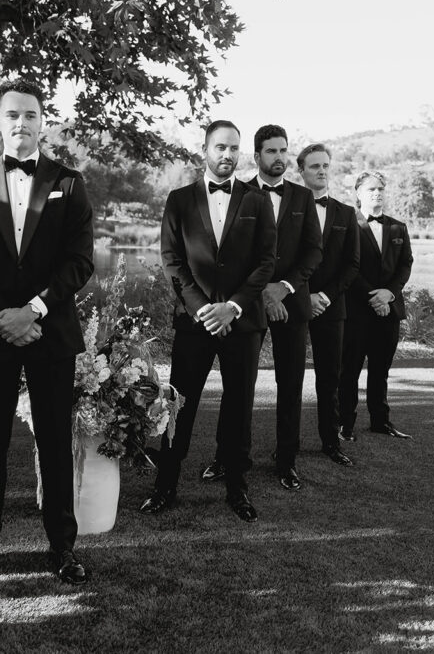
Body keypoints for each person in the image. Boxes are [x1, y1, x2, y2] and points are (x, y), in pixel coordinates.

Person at [0, 79, 94, 587]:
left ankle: (62, 547)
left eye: (30, 115)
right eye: (12, 115)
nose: (21, 124)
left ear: (42, 120)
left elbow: (79, 263)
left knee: (54, 441)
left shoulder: (69, 183)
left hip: (50, 332)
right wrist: (4, 316)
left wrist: (32, 310)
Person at [141, 120, 275, 522]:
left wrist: (231, 306)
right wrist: (204, 308)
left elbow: (266, 261)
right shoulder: (179, 199)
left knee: (239, 408)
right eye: (220, 147)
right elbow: (172, 260)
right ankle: (165, 487)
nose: (227, 154)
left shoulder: (257, 201)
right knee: (179, 407)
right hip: (193, 323)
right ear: (204, 149)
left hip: (242, 323)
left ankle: (238, 490)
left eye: (234, 148)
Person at [199, 125, 321, 491]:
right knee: (240, 386)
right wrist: (260, 295)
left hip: (291, 302)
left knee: (291, 384)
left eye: (284, 151)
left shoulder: (302, 197)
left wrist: (283, 288)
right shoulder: (239, 192)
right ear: (256, 156)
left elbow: (313, 251)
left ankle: (287, 461)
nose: (279, 158)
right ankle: (229, 457)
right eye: (271, 151)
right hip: (246, 305)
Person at [339, 170, 413, 440]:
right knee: (349, 371)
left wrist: (389, 294)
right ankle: (344, 424)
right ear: (358, 193)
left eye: (380, 188)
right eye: (371, 189)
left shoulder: (398, 227)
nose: (377, 193)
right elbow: (347, 266)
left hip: (389, 311)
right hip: (357, 310)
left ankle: (380, 422)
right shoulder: (349, 224)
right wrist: (374, 296)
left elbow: (405, 264)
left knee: (381, 371)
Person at [298, 144, 359, 465]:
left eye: (325, 166)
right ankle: (287, 443)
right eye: (314, 166)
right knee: (291, 378)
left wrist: (325, 296)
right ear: (302, 172)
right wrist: (303, 294)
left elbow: (352, 264)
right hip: (294, 302)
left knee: (330, 377)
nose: (321, 171)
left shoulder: (346, 214)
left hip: (331, 306)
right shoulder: (288, 210)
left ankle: (330, 443)